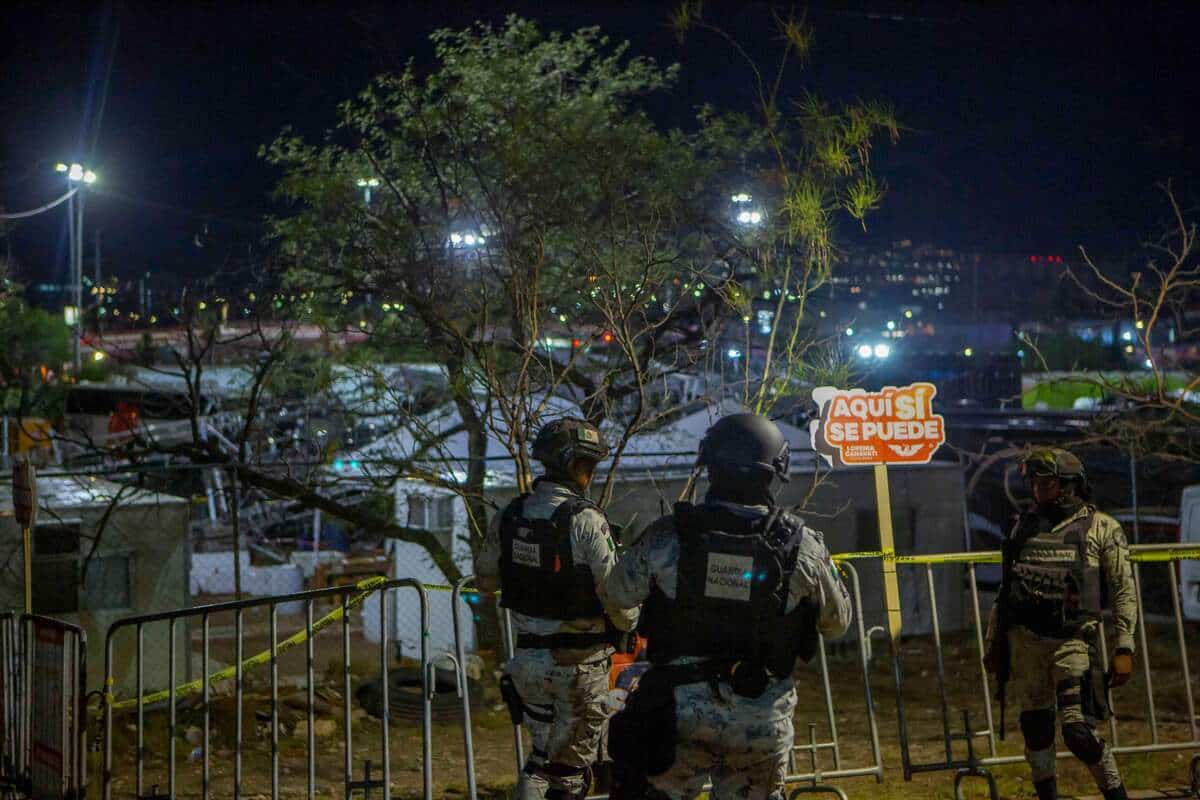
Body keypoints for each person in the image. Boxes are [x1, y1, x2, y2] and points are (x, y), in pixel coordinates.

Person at [603, 413, 852, 800]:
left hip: (677, 714)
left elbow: (617, 596)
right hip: (761, 717)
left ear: (709, 467)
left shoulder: (668, 536)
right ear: (776, 472)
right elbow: (837, 623)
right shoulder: (804, 545)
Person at [477, 417, 638, 800]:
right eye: (589, 464)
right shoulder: (586, 520)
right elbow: (618, 599)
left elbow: (485, 579)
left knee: (541, 759)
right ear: (575, 464)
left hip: (528, 664)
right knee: (568, 775)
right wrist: (631, 623)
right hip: (579, 668)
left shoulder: (509, 515)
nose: (592, 472)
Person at [984, 448, 1137, 800]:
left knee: (1078, 731)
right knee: (1036, 729)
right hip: (1026, 643)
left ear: (1069, 485)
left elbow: (1123, 590)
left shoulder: (1102, 528)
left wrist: (1124, 646)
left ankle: (1115, 793)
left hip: (1073, 642)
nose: (1038, 490)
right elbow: (1006, 591)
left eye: (1047, 483)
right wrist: (994, 642)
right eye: (1034, 482)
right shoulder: (1023, 525)